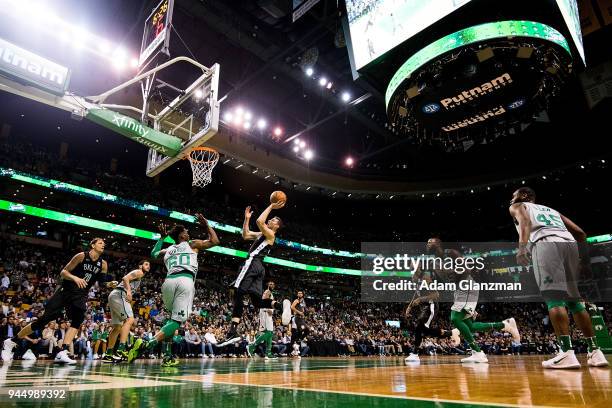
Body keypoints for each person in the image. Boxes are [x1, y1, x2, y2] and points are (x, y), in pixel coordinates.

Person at [509, 186, 609, 368]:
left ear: (524, 196)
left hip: (545, 244)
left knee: (554, 299)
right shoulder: (552, 211)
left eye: (513, 196)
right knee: (575, 300)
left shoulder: (518, 206)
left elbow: (525, 222)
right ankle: (596, 352)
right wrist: (585, 262)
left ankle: (566, 353)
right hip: (569, 245)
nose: (511, 199)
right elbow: (580, 233)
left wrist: (522, 247)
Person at [128, 214, 219, 367]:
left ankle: (168, 356)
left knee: (171, 322)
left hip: (168, 283)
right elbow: (215, 241)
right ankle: (147, 345)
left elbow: (153, 254)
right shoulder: (192, 244)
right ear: (181, 235)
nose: (188, 233)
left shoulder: (168, 249)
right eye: (186, 231)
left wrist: (162, 238)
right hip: (185, 280)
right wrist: (207, 225)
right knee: (177, 322)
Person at [3, 238, 112, 364]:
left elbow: (103, 283)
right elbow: (63, 272)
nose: (103, 245)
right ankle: (11, 341)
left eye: (104, 244)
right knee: (43, 320)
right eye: (100, 243)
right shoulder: (81, 256)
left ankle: (62, 351)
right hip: (65, 291)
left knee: (77, 321)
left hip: (81, 295)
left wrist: (110, 284)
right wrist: (75, 278)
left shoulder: (103, 264)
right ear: (92, 245)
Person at [426, 238, 520, 363]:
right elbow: (446, 279)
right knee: (470, 327)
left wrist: (453, 272)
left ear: (438, 243)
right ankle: (504, 325)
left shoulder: (451, 253)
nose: (427, 244)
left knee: (455, 318)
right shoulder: (435, 262)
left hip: (466, 285)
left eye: (430, 241)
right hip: (459, 290)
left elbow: (466, 269)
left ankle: (477, 351)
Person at [219, 203, 289, 346]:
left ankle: (232, 331)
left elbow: (259, 221)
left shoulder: (270, 233)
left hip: (252, 263)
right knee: (257, 302)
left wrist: (271, 205)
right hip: (259, 268)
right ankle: (281, 306)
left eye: (274, 220)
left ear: (276, 227)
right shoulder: (263, 234)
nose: (271, 219)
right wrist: (246, 219)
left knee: (238, 291)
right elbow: (245, 235)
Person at [404, 261, 460, 362]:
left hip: (431, 305)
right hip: (424, 307)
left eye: (413, 266)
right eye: (410, 267)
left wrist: (420, 299)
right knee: (424, 330)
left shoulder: (426, 277)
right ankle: (451, 332)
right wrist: (410, 306)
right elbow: (415, 293)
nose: (411, 268)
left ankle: (415, 353)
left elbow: (436, 295)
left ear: (419, 267)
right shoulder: (414, 278)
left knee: (419, 327)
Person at [103, 260, 149, 363]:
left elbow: (124, 281)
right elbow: (125, 278)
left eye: (149, 265)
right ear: (140, 265)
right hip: (120, 295)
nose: (148, 266)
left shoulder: (139, 276)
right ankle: (121, 350)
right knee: (130, 320)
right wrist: (128, 291)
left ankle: (108, 354)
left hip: (114, 295)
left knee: (117, 327)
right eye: (146, 264)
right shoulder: (139, 272)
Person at [247, 281, 277, 359]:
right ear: (267, 285)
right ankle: (251, 346)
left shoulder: (271, 293)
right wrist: (268, 309)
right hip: (265, 312)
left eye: (273, 284)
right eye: (270, 284)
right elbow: (264, 300)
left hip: (267, 312)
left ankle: (268, 353)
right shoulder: (267, 292)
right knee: (269, 332)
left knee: (268, 333)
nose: (271, 285)